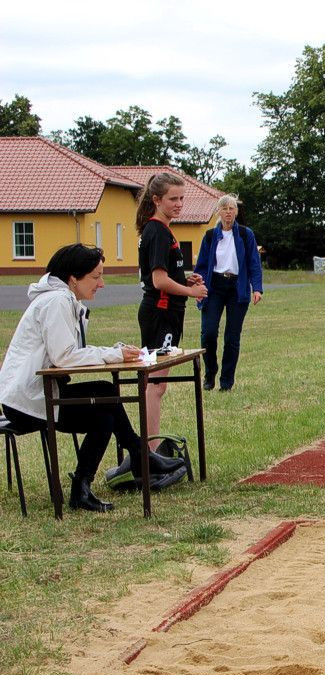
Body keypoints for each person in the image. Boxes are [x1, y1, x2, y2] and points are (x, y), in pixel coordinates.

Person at [0, 245, 186, 511]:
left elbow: (68, 354)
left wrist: (113, 352)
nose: (102, 284)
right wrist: (113, 354)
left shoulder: (61, 298)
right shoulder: (57, 301)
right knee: (105, 407)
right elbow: (65, 357)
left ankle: (126, 464)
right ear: (73, 278)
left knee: (104, 394)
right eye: (96, 276)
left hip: (38, 392)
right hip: (27, 402)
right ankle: (133, 460)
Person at [136, 172, 207, 450]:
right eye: (173, 199)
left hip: (170, 312)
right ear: (156, 200)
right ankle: (150, 451)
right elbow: (158, 280)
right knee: (155, 384)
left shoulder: (164, 230)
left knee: (158, 384)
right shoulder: (156, 230)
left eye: (182, 198)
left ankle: (150, 449)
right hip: (160, 313)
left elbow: (169, 276)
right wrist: (192, 292)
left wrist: (185, 280)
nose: (179, 204)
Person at [193, 195, 263, 391]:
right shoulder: (209, 236)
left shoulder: (245, 234)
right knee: (208, 332)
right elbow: (201, 266)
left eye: (232, 208)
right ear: (218, 212)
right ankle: (210, 372)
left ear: (236, 212)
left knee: (232, 337)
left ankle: (226, 382)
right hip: (214, 286)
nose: (228, 212)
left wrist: (257, 288)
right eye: (224, 208)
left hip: (237, 288)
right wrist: (197, 287)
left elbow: (253, 263)